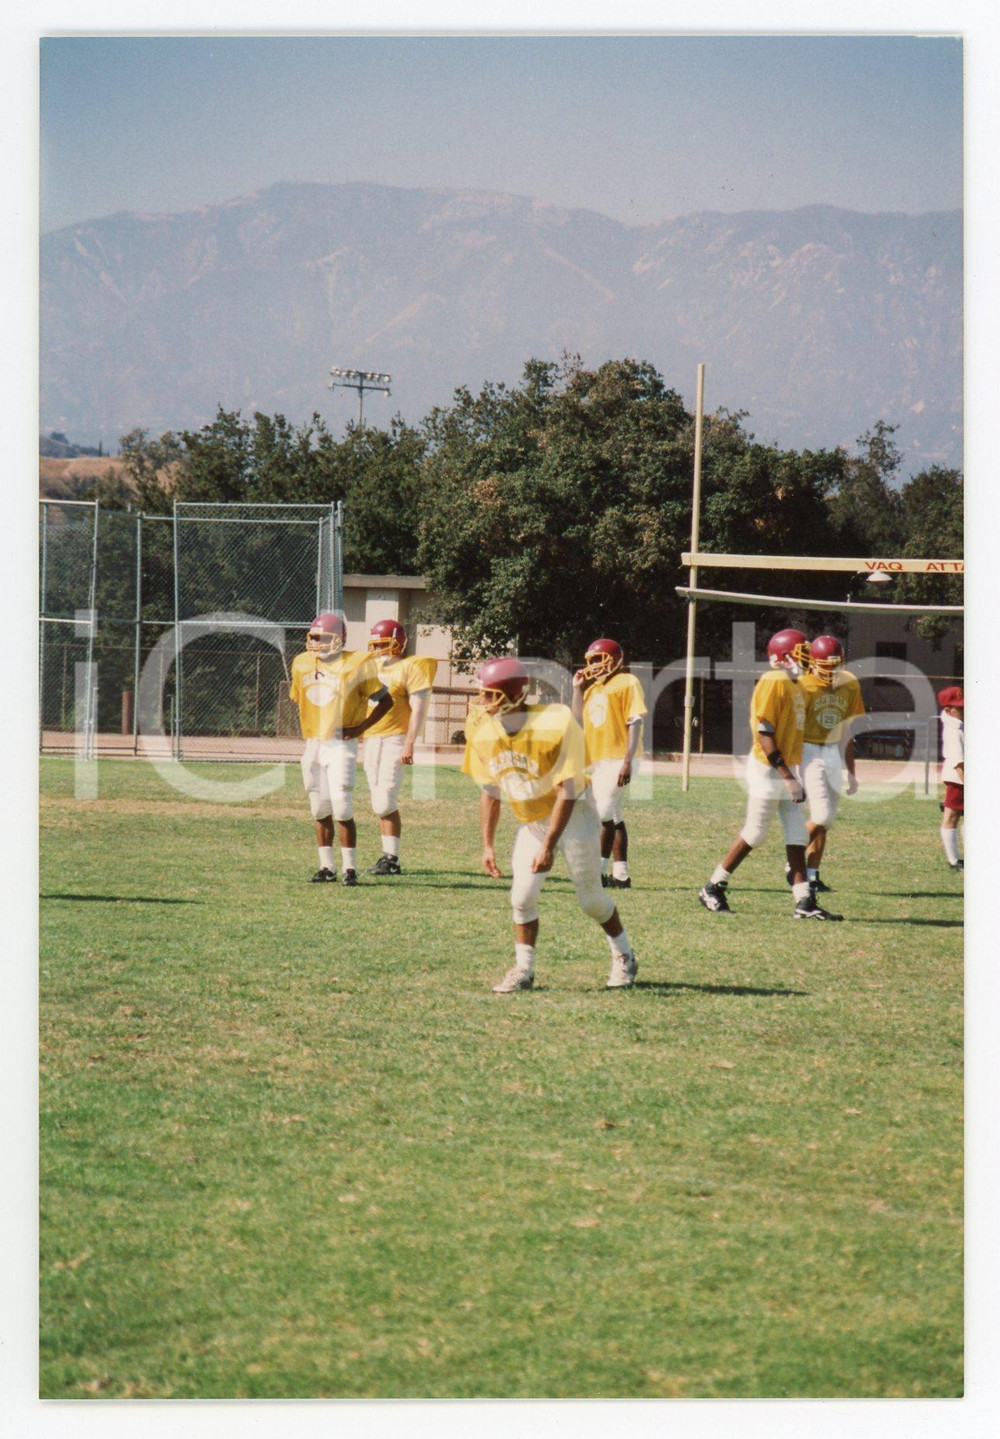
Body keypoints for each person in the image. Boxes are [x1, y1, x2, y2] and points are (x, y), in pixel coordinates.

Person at [463, 656, 639, 993]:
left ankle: (625, 955)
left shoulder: (555, 722)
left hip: (574, 817)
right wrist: (487, 843)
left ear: (513, 694)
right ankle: (523, 970)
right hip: (532, 822)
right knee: (522, 896)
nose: (482, 703)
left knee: (590, 899)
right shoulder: (484, 734)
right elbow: (490, 792)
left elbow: (568, 791)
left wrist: (548, 847)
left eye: (489, 695)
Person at [698, 627, 843, 921]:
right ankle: (713, 886)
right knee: (756, 832)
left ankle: (804, 901)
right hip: (768, 767)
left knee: (796, 835)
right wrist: (788, 776)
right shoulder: (774, 680)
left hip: (786, 768)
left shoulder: (797, 685)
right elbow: (765, 732)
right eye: (802, 651)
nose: (808, 657)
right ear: (784, 656)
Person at [288, 612, 392, 887]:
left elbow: (386, 701)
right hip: (313, 743)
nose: (320, 644)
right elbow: (301, 700)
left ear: (342, 639)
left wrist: (360, 729)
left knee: (342, 808)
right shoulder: (301, 663)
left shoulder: (357, 663)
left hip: (340, 743)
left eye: (326, 638)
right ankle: (326, 866)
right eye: (315, 638)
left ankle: (350, 868)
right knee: (318, 808)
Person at [785, 633, 866, 894]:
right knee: (821, 815)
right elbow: (793, 728)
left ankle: (812, 874)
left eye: (835, 666)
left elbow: (847, 731)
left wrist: (851, 771)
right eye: (826, 666)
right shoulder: (803, 684)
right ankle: (792, 860)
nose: (831, 672)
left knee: (826, 820)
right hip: (808, 749)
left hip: (832, 750)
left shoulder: (850, 684)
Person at [362, 618, 438, 875]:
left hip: (395, 738)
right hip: (372, 739)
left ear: (399, 643)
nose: (378, 650)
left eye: (384, 644)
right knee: (377, 800)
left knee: (385, 800)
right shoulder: (370, 669)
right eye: (375, 645)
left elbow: (418, 709)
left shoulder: (410, 667)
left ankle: (391, 856)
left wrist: (410, 743)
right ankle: (388, 858)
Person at [571, 637, 647, 889]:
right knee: (613, 815)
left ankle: (598, 872)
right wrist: (578, 690)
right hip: (600, 761)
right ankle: (621, 876)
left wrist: (627, 760)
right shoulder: (593, 689)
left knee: (603, 811)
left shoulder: (627, 682)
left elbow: (634, 721)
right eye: (591, 661)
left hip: (620, 758)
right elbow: (577, 722)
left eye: (598, 660)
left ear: (614, 660)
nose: (593, 665)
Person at [937, 685, 964, 871]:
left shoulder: (958, 725)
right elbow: (959, 762)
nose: (963, 710)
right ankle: (954, 860)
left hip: (960, 776)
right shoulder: (953, 729)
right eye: (959, 707)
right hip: (958, 777)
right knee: (952, 815)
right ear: (948, 709)